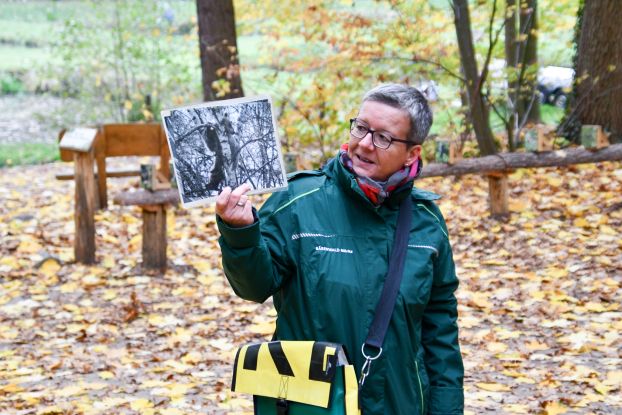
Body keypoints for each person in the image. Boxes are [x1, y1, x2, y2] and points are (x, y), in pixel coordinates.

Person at [216, 84, 464, 414]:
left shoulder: (426, 222)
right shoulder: (298, 202)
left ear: (412, 153)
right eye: (361, 127)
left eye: (383, 137)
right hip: (315, 404)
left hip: (401, 403)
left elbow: (440, 332)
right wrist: (240, 232)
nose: (363, 143)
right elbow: (253, 287)